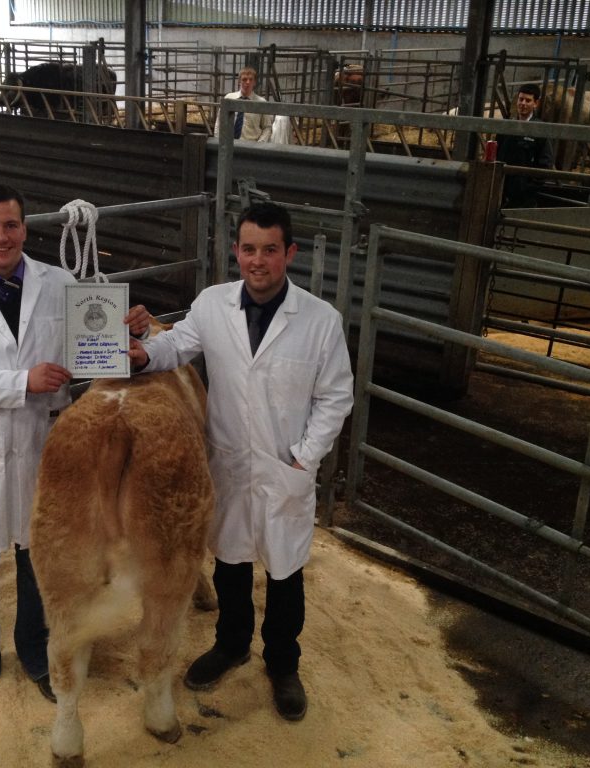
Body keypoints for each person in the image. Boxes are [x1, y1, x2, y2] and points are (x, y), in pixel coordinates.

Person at [0, 182, 150, 718]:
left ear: (25, 228)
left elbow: (92, 354)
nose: (1, 236)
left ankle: (36, 656)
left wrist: (128, 334)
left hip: (45, 452)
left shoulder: (61, 283)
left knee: (38, 565)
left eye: (11, 225)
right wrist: (21, 382)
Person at [127, 201, 354, 722]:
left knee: (284, 572)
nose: (258, 261)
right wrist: (141, 349)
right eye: (249, 249)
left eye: (270, 250)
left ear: (289, 253)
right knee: (229, 563)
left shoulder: (321, 321)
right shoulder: (211, 305)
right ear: (236, 252)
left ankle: (282, 664)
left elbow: (336, 397)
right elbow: (175, 348)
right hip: (229, 464)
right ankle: (231, 645)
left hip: (284, 467)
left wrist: (303, 459)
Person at [495, 83, 554, 207]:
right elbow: (496, 155)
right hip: (501, 190)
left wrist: (528, 188)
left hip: (523, 196)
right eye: (521, 99)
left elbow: (545, 164)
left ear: (535, 103)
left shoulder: (540, 130)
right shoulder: (507, 127)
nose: (523, 103)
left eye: (528, 100)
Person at [214, 66, 274, 142]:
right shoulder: (228, 99)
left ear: (254, 82)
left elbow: (267, 127)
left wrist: (260, 145)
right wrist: (218, 142)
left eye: (251, 80)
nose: (247, 82)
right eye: (244, 79)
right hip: (228, 145)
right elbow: (219, 122)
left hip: (251, 147)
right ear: (239, 81)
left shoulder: (261, 103)